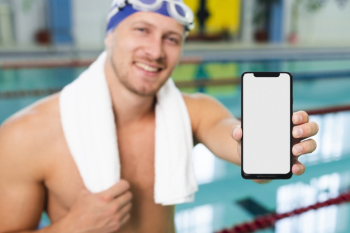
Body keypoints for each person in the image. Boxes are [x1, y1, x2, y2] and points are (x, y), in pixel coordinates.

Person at [0, 0, 319, 232]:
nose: (155, 51)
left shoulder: (195, 111)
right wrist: (72, 228)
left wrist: (265, 148)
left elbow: (231, 137)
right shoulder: (26, 135)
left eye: (171, 39)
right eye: (142, 30)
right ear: (109, 36)